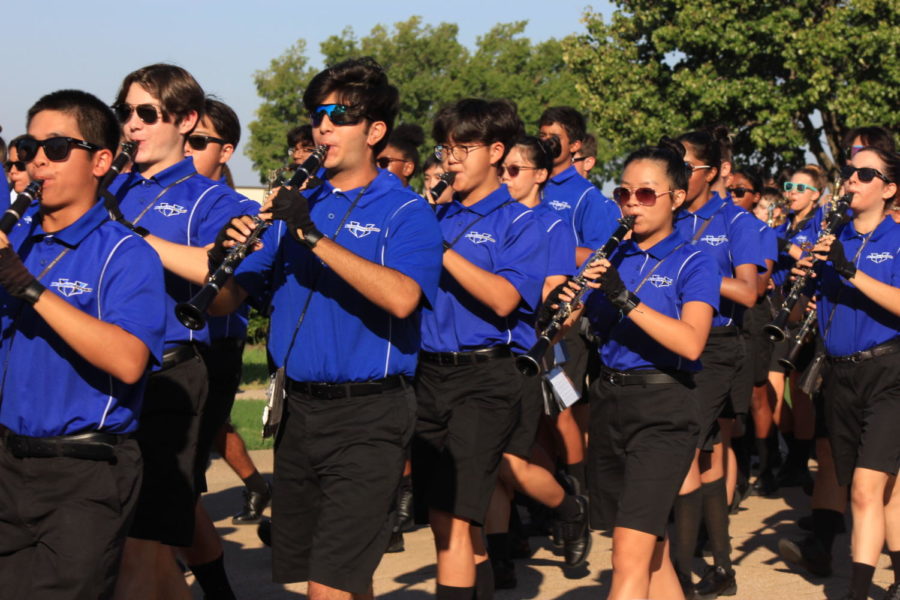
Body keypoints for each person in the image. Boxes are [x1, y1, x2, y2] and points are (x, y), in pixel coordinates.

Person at [210, 57, 443, 600]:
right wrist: (219, 255)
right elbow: (227, 299)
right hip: (298, 411)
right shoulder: (298, 204)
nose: (324, 127)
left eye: (339, 115)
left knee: (328, 583)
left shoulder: (406, 211)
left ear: (375, 131)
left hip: (370, 414)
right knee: (337, 575)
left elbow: (404, 297)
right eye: (318, 115)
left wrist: (309, 234)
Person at [0, 89, 166, 599]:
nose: (37, 161)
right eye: (30, 148)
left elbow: (128, 359)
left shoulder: (126, 252)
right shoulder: (17, 237)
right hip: (8, 464)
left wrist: (26, 286)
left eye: (55, 147)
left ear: (99, 160)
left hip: (85, 473)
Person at [106, 63, 255, 600]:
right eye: (126, 112)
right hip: (97, 379)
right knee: (125, 544)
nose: (132, 125)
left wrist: (130, 235)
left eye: (148, 113)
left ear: (185, 120)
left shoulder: (214, 199)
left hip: (168, 376)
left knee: (143, 545)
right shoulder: (109, 185)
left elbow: (225, 291)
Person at [556, 138, 718, 600]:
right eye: (623, 193)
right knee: (652, 551)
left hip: (664, 407)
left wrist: (624, 297)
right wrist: (562, 306)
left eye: (645, 194)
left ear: (676, 198)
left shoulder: (694, 260)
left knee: (626, 557)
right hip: (610, 403)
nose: (631, 203)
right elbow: (574, 320)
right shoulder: (614, 256)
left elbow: (691, 342)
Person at [413, 97, 546, 600]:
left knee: (455, 517)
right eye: (446, 149)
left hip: (485, 379)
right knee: (444, 523)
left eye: (463, 148)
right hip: (427, 375)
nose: (451, 160)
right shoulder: (433, 214)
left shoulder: (520, 222)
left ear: (496, 151)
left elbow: (504, 297)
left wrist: (440, 249)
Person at [790, 146, 900, 600]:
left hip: (889, 373)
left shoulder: (895, 238)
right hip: (838, 376)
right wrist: (802, 291)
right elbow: (802, 312)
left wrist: (846, 269)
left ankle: (855, 592)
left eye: (865, 174)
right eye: (850, 172)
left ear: (889, 189)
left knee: (864, 489)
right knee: (887, 492)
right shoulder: (831, 236)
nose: (852, 180)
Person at [485, 134, 587, 589]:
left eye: (514, 170)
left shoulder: (552, 224)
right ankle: (499, 554)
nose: (504, 177)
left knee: (511, 460)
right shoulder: (488, 215)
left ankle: (569, 505)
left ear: (541, 175)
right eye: (501, 168)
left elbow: (553, 291)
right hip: (478, 353)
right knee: (486, 462)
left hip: (525, 354)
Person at [670, 129, 764, 599]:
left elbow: (750, 291)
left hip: (719, 346)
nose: (678, 176)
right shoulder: (664, 215)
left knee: (687, 450)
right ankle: (721, 569)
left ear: (711, 172)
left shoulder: (736, 221)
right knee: (703, 456)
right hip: (670, 344)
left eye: (686, 167)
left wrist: (692, 266)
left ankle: (681, 575)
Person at [377, 123, 424, 188]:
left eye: (383, 162)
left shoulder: (413, 198)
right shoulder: (362, 196)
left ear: (407, 168)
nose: (376, 167)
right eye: (373, 162)